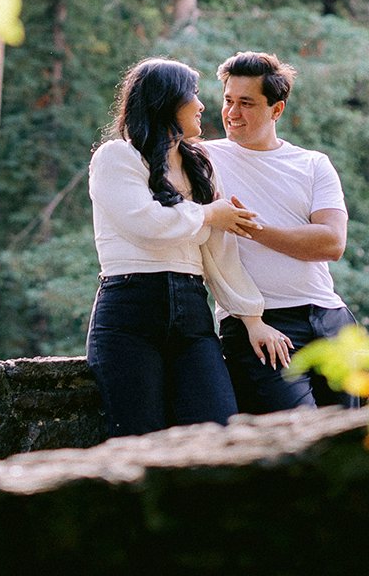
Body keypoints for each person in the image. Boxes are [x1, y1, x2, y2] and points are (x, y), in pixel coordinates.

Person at [86, 57, 293, 437]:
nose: (202, 105)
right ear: (165, 101)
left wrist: (252, 319)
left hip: (192, 314)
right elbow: (147, 224)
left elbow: (219, 252)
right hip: (129, 313)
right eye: (192, 95)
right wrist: (208, 214)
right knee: (140, 442)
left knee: (217, 431)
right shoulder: (116, 157)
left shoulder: (199, 164)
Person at [206, 49, 362, 413]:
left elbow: (331, 242)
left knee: (350, 442)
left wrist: (251, 227)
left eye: (246, 103)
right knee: (297, 441)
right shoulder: (204, 159)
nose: (232, 113)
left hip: (330, 316)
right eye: (228, 100)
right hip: (260, 324)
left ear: (277, 109)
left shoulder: (312, 164)